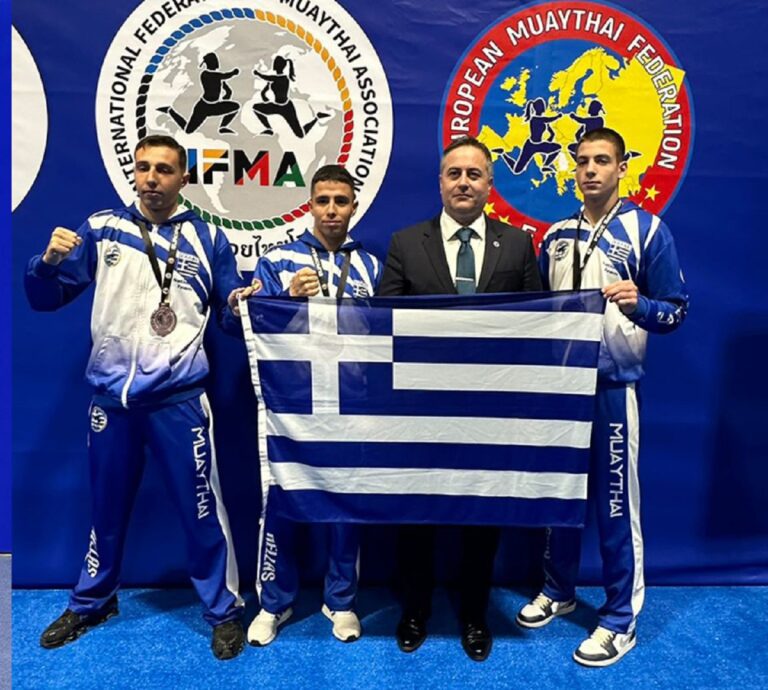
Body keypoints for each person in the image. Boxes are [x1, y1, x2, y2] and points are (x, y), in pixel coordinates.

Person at [25, 134, 246, 660]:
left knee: (200, 513)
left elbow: (229, 317)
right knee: (105, 510)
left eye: (164, 169)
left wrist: (242, 305)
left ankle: (223, 610)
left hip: (179, 401)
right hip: (112, 403)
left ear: (183, 178)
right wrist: (46, 263)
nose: (151, 178)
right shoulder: (103, 228)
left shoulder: (209, 238)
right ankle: (93, 600)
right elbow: (45, 299)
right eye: (144, 167)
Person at [517, 127, 689, 666]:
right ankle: (559, 590)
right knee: (559, 498)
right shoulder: (555, 235)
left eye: (602, 161)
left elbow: (676, 311)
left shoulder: (648, 230)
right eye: (583, 161)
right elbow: (539, 312)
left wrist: (642, 306)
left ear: (621, 168)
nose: (590, 170)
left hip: (614, 387)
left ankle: (619, 619)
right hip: (561, 389)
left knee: (616, 505)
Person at [378, 135, 542, 661]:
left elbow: (537, 324)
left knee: (481, 518)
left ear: (490, 185)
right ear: (440, 183)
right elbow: (382, 325)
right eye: (455, 173)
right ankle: (414, 610)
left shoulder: (517, 245)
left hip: (491, 411)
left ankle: (475, 614)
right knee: (416, 518)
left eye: (474, 174)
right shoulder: (407, 243)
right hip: (420, 410)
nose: (464, 183)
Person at [229, 164, 381, 646]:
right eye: (323, 201)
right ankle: (273, 602)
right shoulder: (277, 260)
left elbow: (384, 336)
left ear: (354, 206)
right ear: (310, 205)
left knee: (346, 506)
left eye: (341, 201)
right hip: (290, 406)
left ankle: (341, 601)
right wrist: (287, 298)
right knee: (281, 502)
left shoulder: (372, 266)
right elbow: (242, 323)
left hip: (351, 405)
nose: (332, 210)